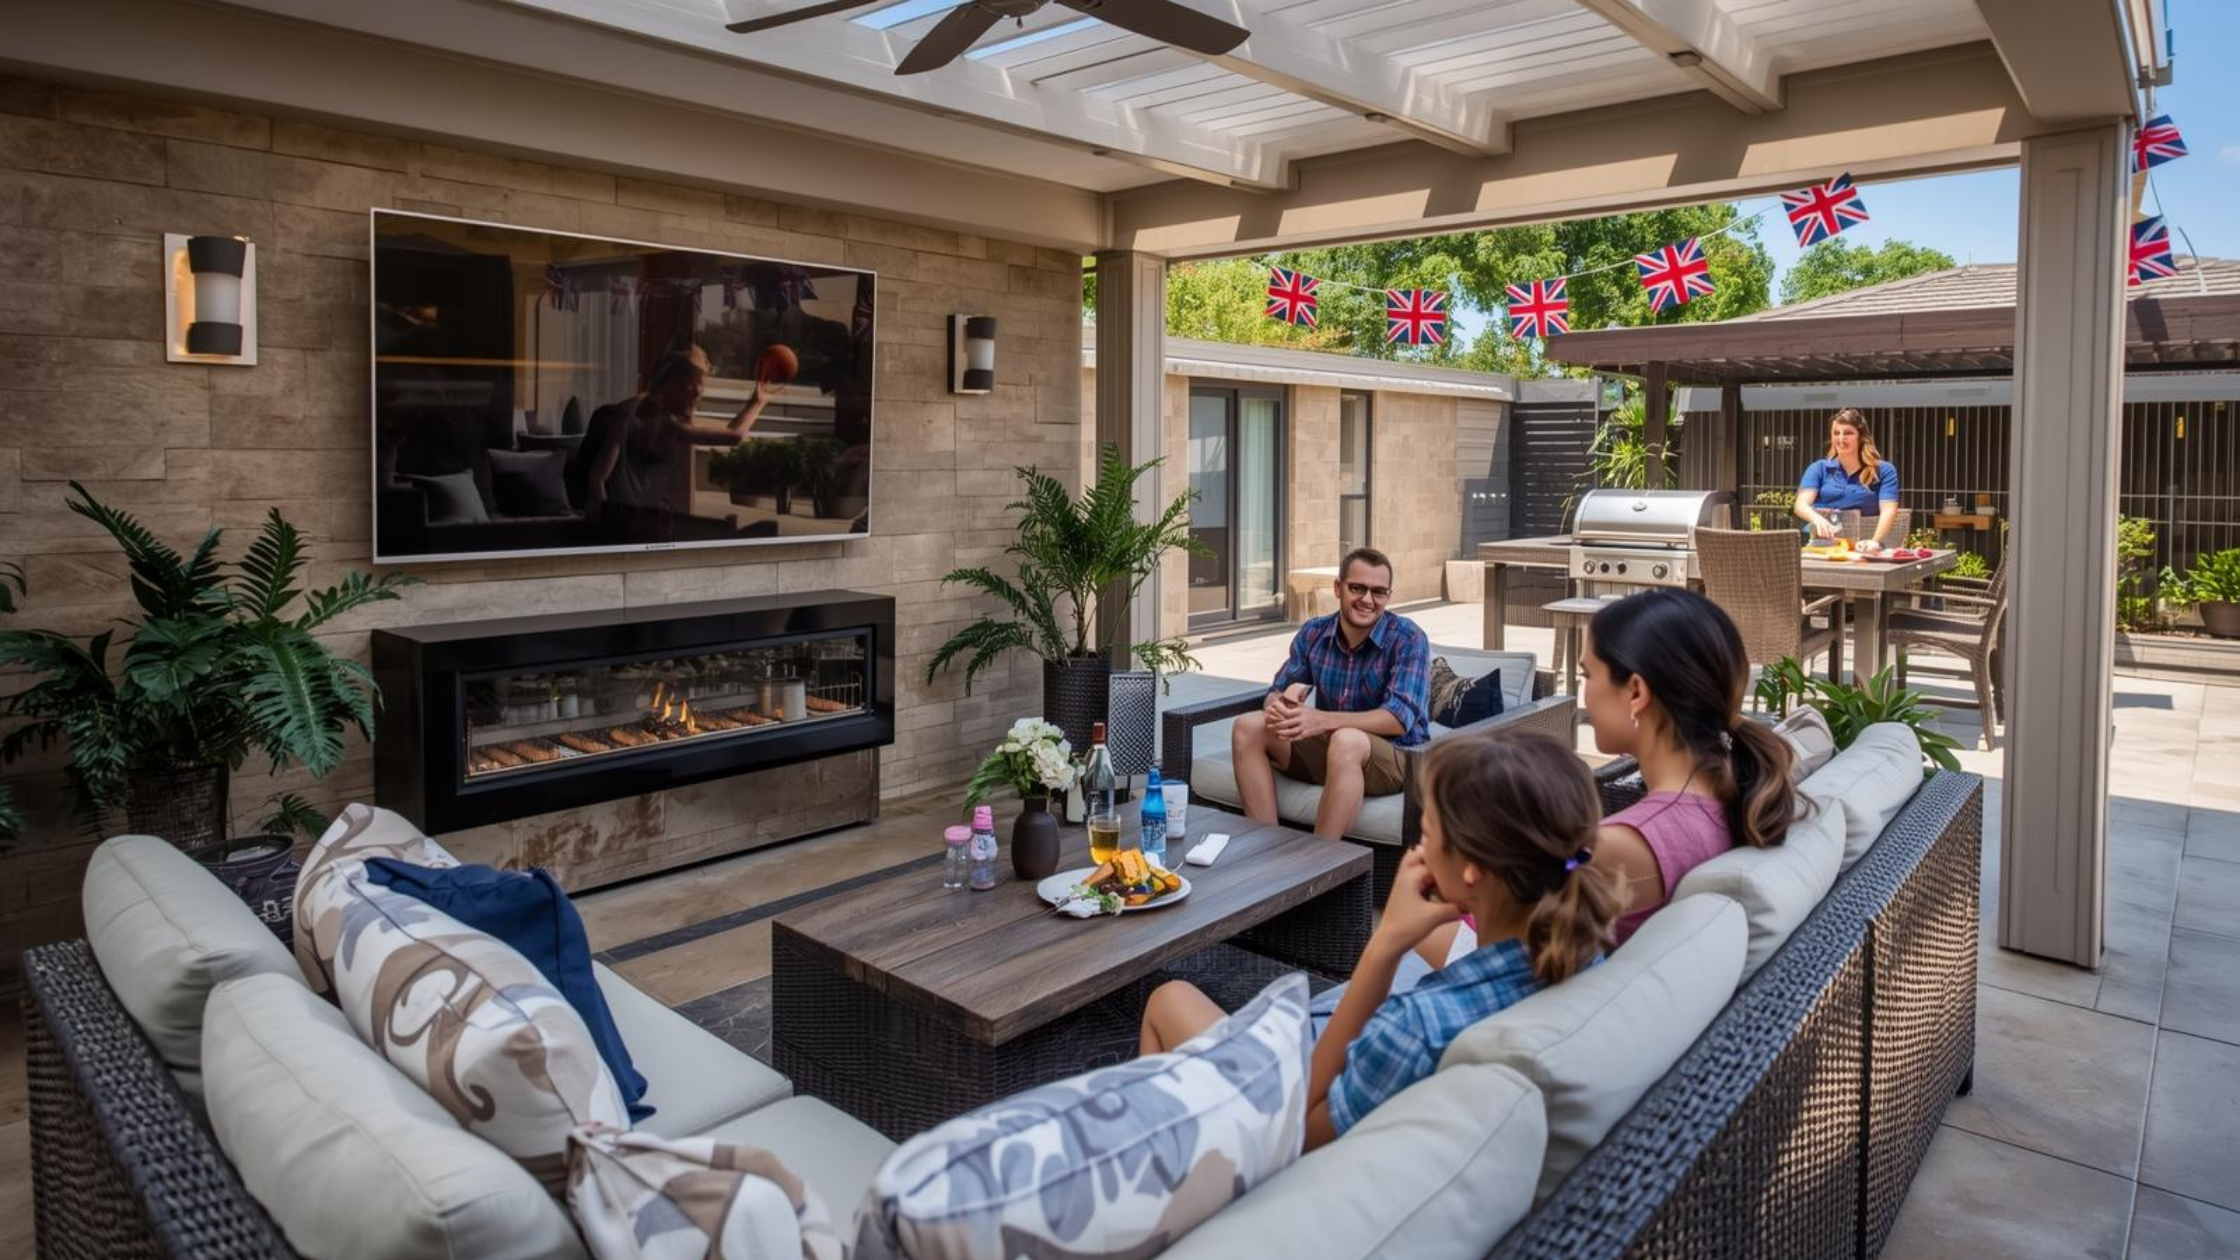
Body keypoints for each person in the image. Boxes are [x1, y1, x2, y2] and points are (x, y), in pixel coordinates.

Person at [1140, 729, 1621, 1151]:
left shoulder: (1415, 1028)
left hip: (1290, 1105)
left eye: (1428, 834)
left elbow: (1297, 1131)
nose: (1417, 850)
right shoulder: (1583, 954)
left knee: (1169, 998)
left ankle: (1160, 1162)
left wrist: (1385, 943)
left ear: (1473, 871)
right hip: (1360, 1076)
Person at [1231, 547, 1430, 839]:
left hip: (1399, 760)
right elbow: (1279, 688)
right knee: (1248, 726)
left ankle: (1320, 867)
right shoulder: (1314, 632)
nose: (1367, 600)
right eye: (1357, 588)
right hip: (1336, 752)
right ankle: (1267, 851)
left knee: (1346, 740)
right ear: (1338, 588)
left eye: (1379, 592)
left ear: (1389, 595)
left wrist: (1321, 720)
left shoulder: (1408, 638)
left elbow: (1398, 719)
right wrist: (1277, 706)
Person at [582, 346, 775, 535]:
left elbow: (732, 434)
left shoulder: (665, 418)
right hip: (626, 526)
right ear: (668, 382)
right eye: (691, 382)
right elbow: (597, 478)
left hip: (645, 523)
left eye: (701, 384)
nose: (699, 392)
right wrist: (606, 524)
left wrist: (757, 401)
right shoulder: (633, 417)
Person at [1794, 407, 1901, 552]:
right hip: (1823, 545)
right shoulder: (1818, 468)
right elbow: (1801, 505)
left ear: (1861, 437)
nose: (1841, 438)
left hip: (1864, 545)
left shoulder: (1883, 471)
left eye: (1848, 433)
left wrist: (1874, 542)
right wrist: (1817, 519)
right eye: (1836, 433)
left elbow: (1889, 510)